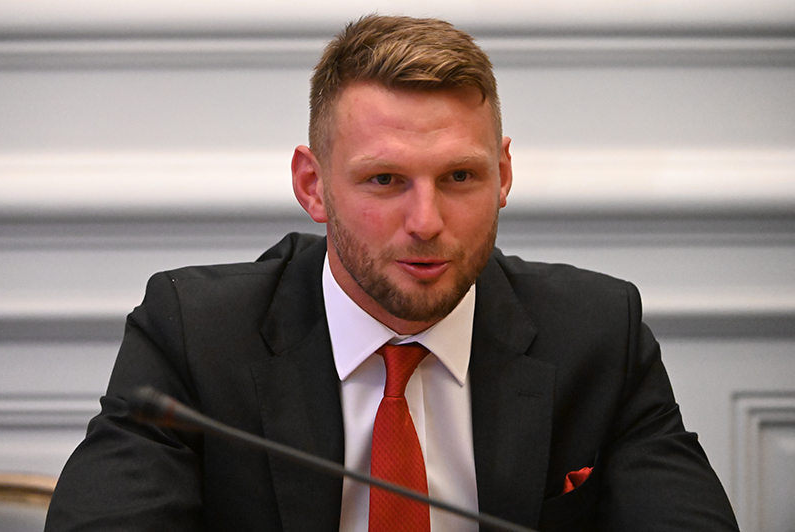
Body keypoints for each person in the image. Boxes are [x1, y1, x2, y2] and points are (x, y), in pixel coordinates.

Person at [45, 14, 739, 532]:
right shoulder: (195, 335)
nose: (427, 221)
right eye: (384, 180)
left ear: (503, 174)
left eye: (460, 176)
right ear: (313, 186)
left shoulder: (596, 333)